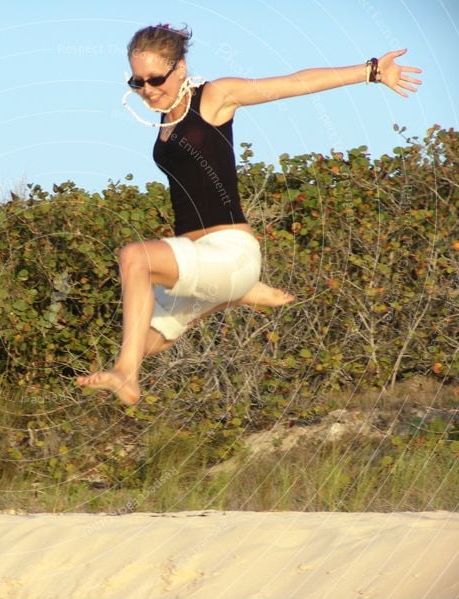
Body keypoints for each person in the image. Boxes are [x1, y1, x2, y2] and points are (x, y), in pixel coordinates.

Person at [77, 24, 422, 405]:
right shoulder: (163, 118)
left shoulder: (215, 97)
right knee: (144, 341)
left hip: (229, 253)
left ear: (180, 67)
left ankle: (128, 374)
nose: (148, 89)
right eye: (137, 82)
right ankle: (229, 296)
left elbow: (293, 83)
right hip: (198, 262)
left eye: (155, 78)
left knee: (134, 257)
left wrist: (371, 71)